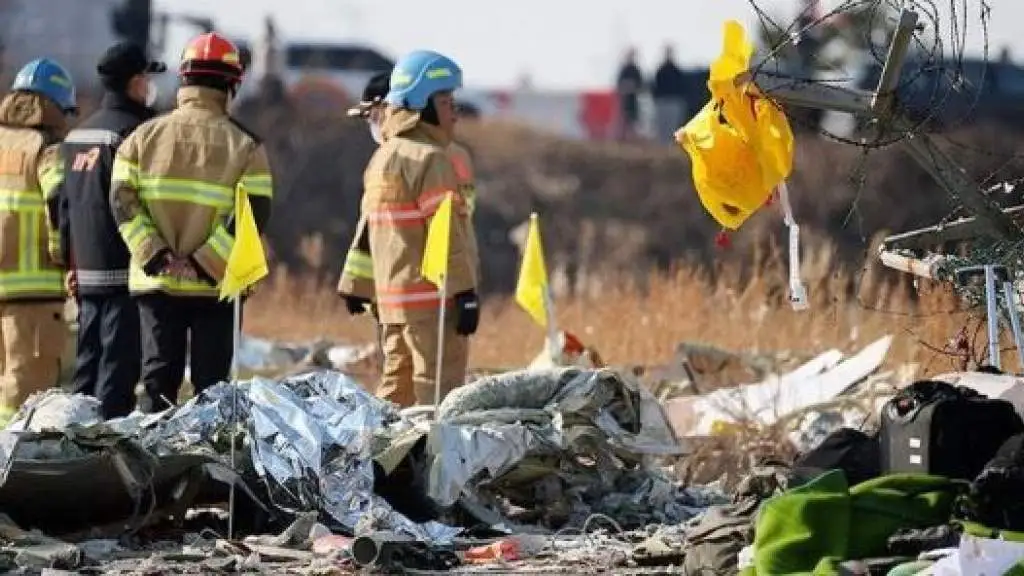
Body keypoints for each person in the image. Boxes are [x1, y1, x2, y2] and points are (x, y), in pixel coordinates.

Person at [110, 32, 274, 412]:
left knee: (157, 386)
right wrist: (204, 263)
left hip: (156, 282)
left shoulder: (140, 138)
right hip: (217, 287)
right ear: (231, 85)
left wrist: (159, 256)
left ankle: (152, 467)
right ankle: (205, 467)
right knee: (212, 393)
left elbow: (122, 202)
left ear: (184, 80)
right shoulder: (246, 146)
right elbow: (254, 214)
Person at [360, 50, 479, 407]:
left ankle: (379, 461)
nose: (455, 111)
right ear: (422, 104)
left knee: (396, 397)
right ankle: (431, 463)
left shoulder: (382, 157)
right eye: (446, 101)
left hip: (395, 305)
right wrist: (465, 292)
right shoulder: (431, 159)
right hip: (433, 304)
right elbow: (446, 236)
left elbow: (370, 234)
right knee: (438, 398)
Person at [60, 43, 165, 418]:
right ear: (136, 82)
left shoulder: (76, 137)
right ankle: (100, 460)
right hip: (126, 274)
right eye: (148, 78)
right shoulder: (137, 134)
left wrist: (68, 265)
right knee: (117, 381)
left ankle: (69, 444)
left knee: (85, 374)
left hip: (86, 274)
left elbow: (63, 208)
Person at [0, 58, 76, 420]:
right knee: (26, 398)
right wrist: (69, 259)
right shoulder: (47, 149)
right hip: (34, 299)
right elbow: (61, 207)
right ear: (55, 106)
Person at [651, 44, 688, 143]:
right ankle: (663, 151)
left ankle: (669, 151)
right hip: (663, 102)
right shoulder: (661, 70)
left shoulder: (676, 71)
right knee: (662, 129)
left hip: (673, 102)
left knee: (672, 129)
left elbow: (682, 87)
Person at [615, 47, 644, 141]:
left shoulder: (635, 70)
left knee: (633, 121)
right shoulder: (624, 70)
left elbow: (640, 85)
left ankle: (632, 138)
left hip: (633, 99)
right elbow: (619, 84)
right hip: (625, 99)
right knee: (623, 120)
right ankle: (622, 138)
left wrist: (633, 88)